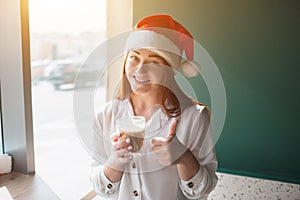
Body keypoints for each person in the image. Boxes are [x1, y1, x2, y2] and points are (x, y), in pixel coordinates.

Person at [90, 14, 218, 200]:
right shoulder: (104, 116)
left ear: (170, 70)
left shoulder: (195, 117)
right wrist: (115, 160)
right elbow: (101, 189)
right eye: (134, 57)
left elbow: (203, 189)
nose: (140, 70)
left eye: (154, 61)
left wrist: (183, 157)